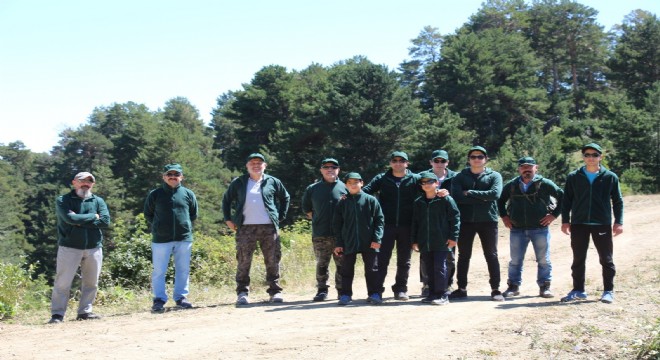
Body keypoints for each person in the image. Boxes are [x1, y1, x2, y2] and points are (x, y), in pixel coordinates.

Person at [222, 153, 290, 305]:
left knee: (273, 260)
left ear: (264, 166)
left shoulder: (272, 181)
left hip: (269, 227)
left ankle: (275, 291)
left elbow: (285, 197)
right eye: (252, 163)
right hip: (245, 228)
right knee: (244, 260)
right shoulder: (239, 182)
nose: (256, 165)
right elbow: (226, 201)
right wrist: (228, 219)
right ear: (247, 166)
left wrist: (280, 216)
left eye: (259, 163)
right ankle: (242, 292)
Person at [560, 143, 623, 304]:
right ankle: (578, 290)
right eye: (587, 154)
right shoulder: (574, 177)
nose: (591, 158)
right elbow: (566, 200)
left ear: (600, 157)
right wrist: (565, 221)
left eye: (594, 155)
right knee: (578, 258)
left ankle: (608, 291)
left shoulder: (610, 177)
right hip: (579, 223)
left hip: (601, 223)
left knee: (606, 259)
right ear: (583, 157)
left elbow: (617, 201)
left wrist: (618, 222)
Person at [49, 172, 111, 324]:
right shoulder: (63, 200)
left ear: (93, 184)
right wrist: (93, 216)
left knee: (91, 282)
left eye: (89, 181)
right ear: (74, 182)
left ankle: (85, 311)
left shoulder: (98, 201)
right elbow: (69, 219)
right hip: (69, 247)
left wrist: (79, 219)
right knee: (63, 282)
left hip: (94, 248)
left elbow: (105, 221)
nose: (86, 184)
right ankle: (57, 314)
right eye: (82, 181)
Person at [497, 157, 563, 299]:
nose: (527, 170)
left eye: (530, 167)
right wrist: (504, 216)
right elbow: (500, 200)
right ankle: (513, 287)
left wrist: (554, 215)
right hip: (517, 229)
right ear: (519, 169)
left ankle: (545, 287)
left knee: (543, 260)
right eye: (523, 167)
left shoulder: (545, 183)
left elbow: (563, 197)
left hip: (540, 228)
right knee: (515, 260)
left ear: (536, 168)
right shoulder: (512, 184)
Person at [363, 151, 420, 301]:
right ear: (390, 163)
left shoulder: (416, 179)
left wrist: (441, 192)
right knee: (381, 260)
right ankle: (377, 291)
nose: (398, 163)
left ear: (407, 163)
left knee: (404, 260)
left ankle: (401, 289)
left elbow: (429, 191)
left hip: (407, 226)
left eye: (402, 160)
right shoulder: (382, 178)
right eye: (395, 160)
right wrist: (349, 196)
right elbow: (365, 192)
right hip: (385, 225)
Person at [449, 146, 504, 301]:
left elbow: (495, 194)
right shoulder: (460, 176)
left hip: (488, 220)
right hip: (465, 221)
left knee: (491, 255)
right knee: (464, 255)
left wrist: (471, 193)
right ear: (469, 159)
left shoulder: (494, 176)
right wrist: (482, 197)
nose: (476, 159)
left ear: (485, 159)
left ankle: (496, 289)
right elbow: (458, 197)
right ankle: (461, 288)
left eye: (480, 156)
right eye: (473, 157)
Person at [144, 164, 199, 312]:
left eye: (176, 174)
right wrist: (159, 226)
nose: (173, 177)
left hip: (184, 238)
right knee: (159, 271)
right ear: (164, 177)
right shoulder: (155, 194)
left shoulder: (188, 194)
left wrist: (183, 226)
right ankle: (159, 299)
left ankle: (181, 298)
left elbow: (193, 214)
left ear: (181, 177)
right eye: (170, 174)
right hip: (161, 239)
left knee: (183, 269)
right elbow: (148, 214)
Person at [333, 172, 384, 305]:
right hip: (349, 241)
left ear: (362, 183)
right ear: (346, 185)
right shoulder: (342, 202)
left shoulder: (370, 200)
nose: (353, 185)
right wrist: (339, 243)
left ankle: (374, 293)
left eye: (356, 182)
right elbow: (337, 224)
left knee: (372, 269)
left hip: (369, 241)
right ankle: (345, 294)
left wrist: (377, 239)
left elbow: (379, 220)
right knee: (346, 269)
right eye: (350, 183)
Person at [411, 171, 460, 305]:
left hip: (442, 240)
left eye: (430, 182)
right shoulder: (419, 202)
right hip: (424, 241)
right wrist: (414, 240)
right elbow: (415, 222)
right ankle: (432, 294)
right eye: (423, 182)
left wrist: (453, 237)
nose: (426, 184)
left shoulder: (445, 199)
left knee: (440, 267)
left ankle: (443, 294)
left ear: (436, 183)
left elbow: (455, 218)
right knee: (429, 268)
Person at [302, 158, 347, 301]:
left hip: (341, 234)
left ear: (338, 170)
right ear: (321, 170)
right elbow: (308, 210)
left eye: (333, 167)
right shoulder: (312, 189)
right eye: (326, 167)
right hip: (320, 234)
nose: (330, 170)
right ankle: (322, 290)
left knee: (341, 264)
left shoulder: (345, 187)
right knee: (322, 264)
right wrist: (319, 220)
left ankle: (342, 290)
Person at [420, 149, 458, 297]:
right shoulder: (422, 177)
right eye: (436, 160)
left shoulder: (456, 177)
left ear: (447, 162)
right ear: (431, 162)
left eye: (443, 161)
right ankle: (427, 285)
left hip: (447, 224)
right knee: (426, 258)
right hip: (428, 223)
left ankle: (447, 285)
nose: (439, 163)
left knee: (448, 257)